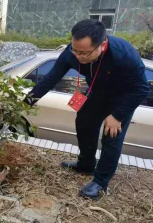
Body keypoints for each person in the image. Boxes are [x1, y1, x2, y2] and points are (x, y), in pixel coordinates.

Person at [24, 19, 149, 199]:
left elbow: (141, 89)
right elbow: (50, 79)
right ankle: (86, 164)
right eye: (75, 50)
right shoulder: (71, 52)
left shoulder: (124, 55)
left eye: (83, 53)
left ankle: (100, 182)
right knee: (83, 122)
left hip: (123, 97)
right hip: (97, 93)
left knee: (111, 136)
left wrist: (117, 116)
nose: (77, 56)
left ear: (102, 45)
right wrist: (26, 102)